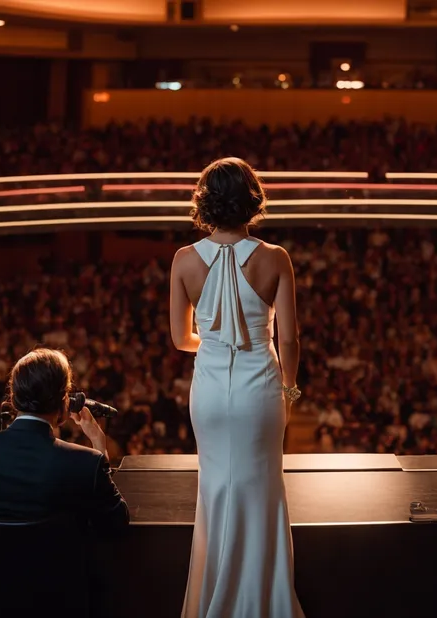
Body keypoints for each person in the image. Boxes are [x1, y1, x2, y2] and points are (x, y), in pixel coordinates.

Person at [170, 157, 304, 618]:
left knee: (215, 487)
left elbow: (178, 337)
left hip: (207, 389)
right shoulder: (275, 258)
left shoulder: (184, 260)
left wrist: (214, 336)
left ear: (206, 202)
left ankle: (212, 596)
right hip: (260, 389)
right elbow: (288, 339)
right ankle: (259, 598)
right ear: (251, 199)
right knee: (262, 486)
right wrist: (290, 393)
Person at [0, 348, 129, 531]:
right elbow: (116, 522)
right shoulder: (87, 463)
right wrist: (97, 442)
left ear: (13, 399)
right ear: (64, 402)